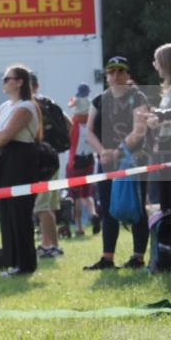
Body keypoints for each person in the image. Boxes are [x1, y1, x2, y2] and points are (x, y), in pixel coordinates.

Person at [82, 56, 152, 270]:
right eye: (111, 72)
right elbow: (89, 132)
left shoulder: (138, 97)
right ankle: (107, 257)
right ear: (106, 76)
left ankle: (138, 257)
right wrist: (103, 151)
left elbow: (139, 129)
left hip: (134, 161)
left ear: (127, 74)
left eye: (120, 71)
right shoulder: (100, 100)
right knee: (107, 208)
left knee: (137, 208)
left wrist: (119, 150)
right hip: (106, 163)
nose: (116, 75)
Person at [0, 64, 41, 277]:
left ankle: (25, 263)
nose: (4, 82)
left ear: (19, 81)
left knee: (20, 213)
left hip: (21, 161)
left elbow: (5, 135)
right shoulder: (3, 107)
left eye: (7, 78)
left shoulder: (26, 107)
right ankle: (11, 261)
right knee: (6, 212)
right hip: (3, 160)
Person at [31, 74, 72, 259]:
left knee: (41, 207)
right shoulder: (49, 103)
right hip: (53, 157)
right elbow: (69, 124)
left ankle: (52, 247)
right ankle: (48, 244)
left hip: (40, 161)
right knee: (49, 205)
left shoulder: (30, 105)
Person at [66, 84, 99, 236]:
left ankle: (79, 228)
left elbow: (70, 104)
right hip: (89, 160)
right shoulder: (92, 116)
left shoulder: (75, 124)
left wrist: (72, 102)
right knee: (87, 194)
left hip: (76, 162)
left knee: (76, 196)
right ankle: (93, 214)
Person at [146, 43, 171, 213]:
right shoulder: (167, 90)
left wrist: (159, 116)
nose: (154, 66)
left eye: (156, 61)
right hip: (164, 148)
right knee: (165, 201)